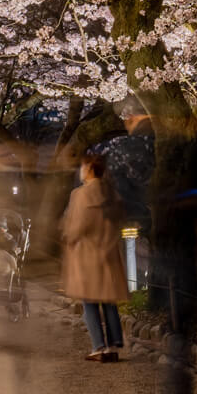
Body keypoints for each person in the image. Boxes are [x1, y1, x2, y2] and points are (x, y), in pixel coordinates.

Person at [60, 150, 128, 361]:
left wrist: (67, 236)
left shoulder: (81, 195)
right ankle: (113, 347)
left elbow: (77, 226)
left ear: (89, 169)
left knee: (89, 302)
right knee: (108, 301)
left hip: (87, 256)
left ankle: (98, 346)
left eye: (82, 166)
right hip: (108, 254)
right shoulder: (112, 194)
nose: (80, 170)